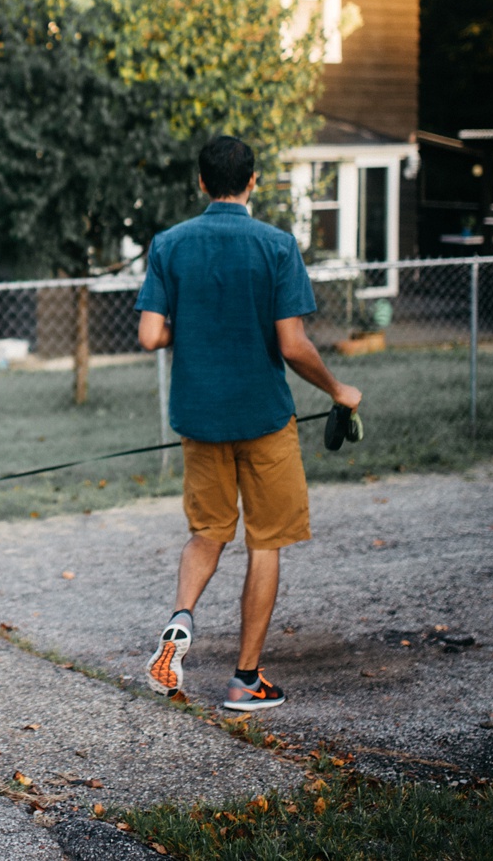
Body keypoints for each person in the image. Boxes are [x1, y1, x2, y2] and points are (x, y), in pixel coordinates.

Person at [134, 135, 360, 712]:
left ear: (202, 183)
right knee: (266, 541)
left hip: (199, 418)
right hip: (262, 418)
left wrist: (195, 323)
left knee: (207, 532)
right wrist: (338, 390)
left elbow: (150, 335)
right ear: (254, 181)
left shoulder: (170, 244)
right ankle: (245, 681)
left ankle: (180, 622)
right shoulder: (276, 246)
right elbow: (293, 344)